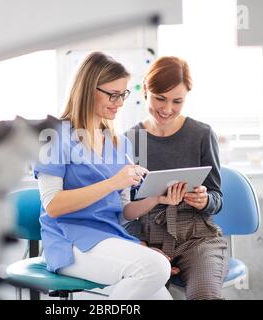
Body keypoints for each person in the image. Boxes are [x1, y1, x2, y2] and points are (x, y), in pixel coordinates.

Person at [34, 52, 181, 300]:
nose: (119, 102)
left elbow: (123, 210)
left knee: (161, 295)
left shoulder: (119, 143)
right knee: (155, 267)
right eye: (113, 95)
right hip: (69, 241)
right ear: (88, 89)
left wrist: (156, 200)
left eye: (123, 94)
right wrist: (115, 181)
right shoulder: (53, 136)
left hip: (109, 237)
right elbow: (53, 205)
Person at [125, 56, 229, 300]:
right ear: (146, 90)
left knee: (205, 295)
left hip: (197, 239)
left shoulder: (202, 134)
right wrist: (140, 245)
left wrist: (205, 201)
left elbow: (217, 197)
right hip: (148, 239)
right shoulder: (131, 139)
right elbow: (123, 208)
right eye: (160, 98)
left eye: (177, 101)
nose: (167, 109)